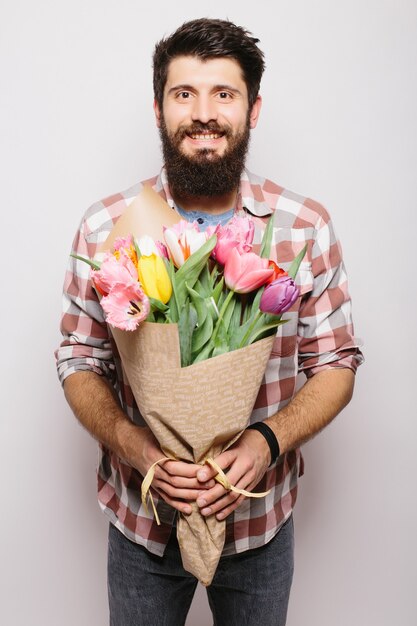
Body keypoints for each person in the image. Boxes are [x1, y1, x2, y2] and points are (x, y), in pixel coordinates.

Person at [56, 17, 363, 626]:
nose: (204, 113)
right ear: (158, 109)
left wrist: (265, 442)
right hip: (144, 521)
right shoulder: (106, 228)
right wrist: (137, 450)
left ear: (252, 110)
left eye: (224, 94)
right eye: (183, 94)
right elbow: (78, 360)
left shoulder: (304, 227)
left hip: (258, 521)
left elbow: (337, 364)